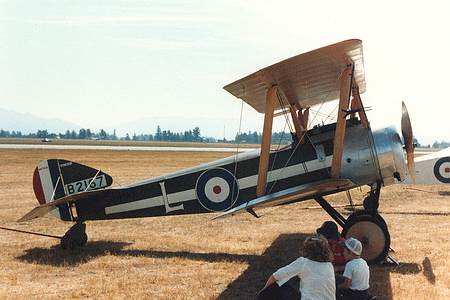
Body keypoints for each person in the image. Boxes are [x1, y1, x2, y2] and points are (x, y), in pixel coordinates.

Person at [257, 235, 336, 300]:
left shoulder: (303, 263)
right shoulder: (329, 265)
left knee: (280, 285)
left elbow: (275, 276)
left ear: (306, 249)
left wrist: (263, 291)